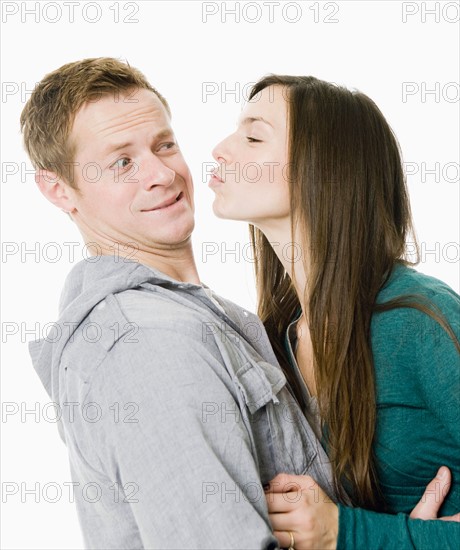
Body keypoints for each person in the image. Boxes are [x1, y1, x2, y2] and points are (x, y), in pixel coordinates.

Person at [22, 59, 339, 549]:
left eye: (164, 145)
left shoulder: (186, 317)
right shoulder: (147, 343)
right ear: (59, 190)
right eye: (122, 162)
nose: (161, 174)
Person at [211, 75, 460, 549]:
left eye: (253, 136)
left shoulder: (422, 321)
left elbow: (346, 533)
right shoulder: (275, 341)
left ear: (324, 169)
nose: (221, 149)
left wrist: (360, 534)